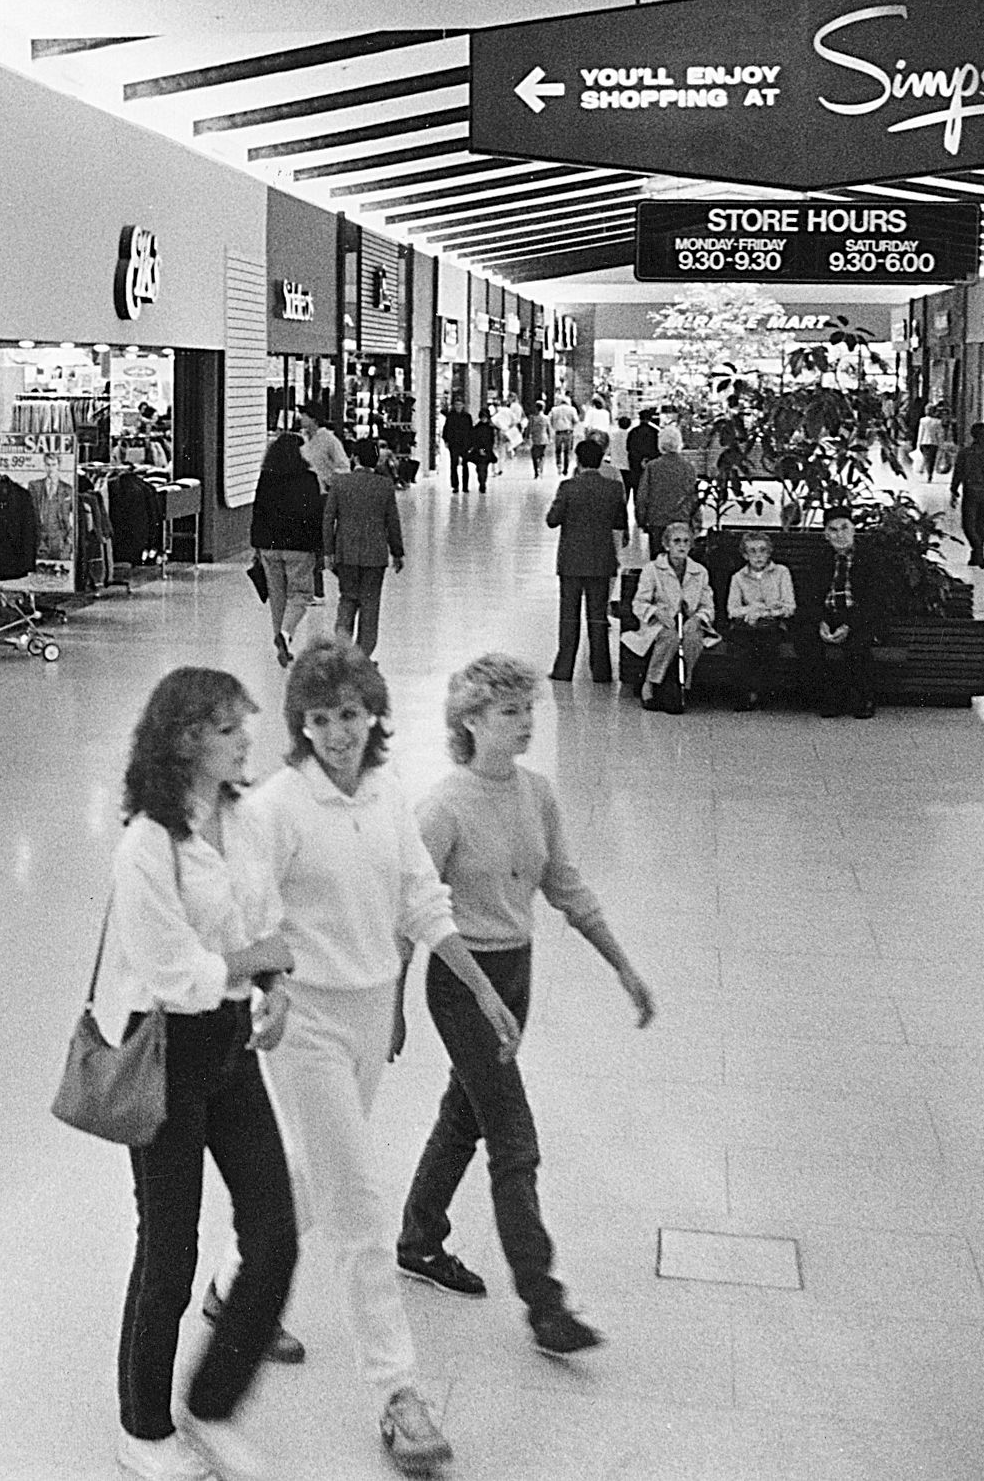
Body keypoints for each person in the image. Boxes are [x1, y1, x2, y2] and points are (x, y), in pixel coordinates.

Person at [242, 641, 521, 1477]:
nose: (336, 734)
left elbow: (420, 899)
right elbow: (247, 910)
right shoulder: (277, 808)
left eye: (350, 716)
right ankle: (398, 1393)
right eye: (320, 719)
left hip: (367, 1012)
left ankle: (234, 1288)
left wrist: (478, 988)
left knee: (312, 1171)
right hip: (305, 1022)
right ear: (300, 723)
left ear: (375, 717)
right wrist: (271, 986)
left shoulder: (391, 796)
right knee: (360, 1200)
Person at [399, 654, 655, 1355]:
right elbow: (410, 912)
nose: (524, 724)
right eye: (509, 712)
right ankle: (545, 1304)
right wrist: (392, 1005)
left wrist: (623, 967)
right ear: (470, 722)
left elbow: (565, 887)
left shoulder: (536, 793)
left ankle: (419, 1237)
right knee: (513, 1137)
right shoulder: (442, 808)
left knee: (466, 1111)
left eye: (528, 710)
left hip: (517, 972)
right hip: (462, 983)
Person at [101, 668, 300, 1481]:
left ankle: (212, 1403)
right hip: (167, 1053)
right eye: (228, 729)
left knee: (276, 1234)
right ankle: (143, 1426)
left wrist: (274, 984)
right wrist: (257, 962)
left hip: (230, 1045)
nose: (245, 740)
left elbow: (266, 922)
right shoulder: (147, 845)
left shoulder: (241, 820)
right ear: (184, 739)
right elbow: (174, 971)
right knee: (171, 1249)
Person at [543, 441, 626, 684]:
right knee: (598, 616)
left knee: (569, 615)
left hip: (571, 560)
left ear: (577, 459)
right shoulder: (613, 488)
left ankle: (564, 668)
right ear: (601, 460)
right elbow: (620, 522)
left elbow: (552, 520)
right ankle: (601, 671)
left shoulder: (568, 487)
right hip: (602, 559)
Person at [323, 440, 405, 660]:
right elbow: (392, 522)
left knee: (347, 598)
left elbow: (328, 519)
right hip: (375, 556)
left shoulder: (340, 483)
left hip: (345, 553)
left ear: (355, 458)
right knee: (370, 603)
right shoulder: (384, 485)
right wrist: (397, 552)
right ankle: (362, 656)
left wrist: (328, 552)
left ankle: (341, 651)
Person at [250, 431, 324, 667]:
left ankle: (282, 639)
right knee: (301, 594)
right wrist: (320, 546)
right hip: (299, 546)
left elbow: (258, 511)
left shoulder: (266, 477)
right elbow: (314, 515)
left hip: (269, 545)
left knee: (277, 596)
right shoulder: (308, 479)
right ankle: (285, 633)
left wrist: (256, 545)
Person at [630, 521, 715, 711]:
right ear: (667, 545)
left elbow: (708, 606)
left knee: (692, 640)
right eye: (677, 541)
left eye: (686, 541)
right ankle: (650, 684)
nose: (682, 546)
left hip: (689, 622)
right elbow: (639, 603)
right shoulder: (652, 569)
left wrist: (697, 619)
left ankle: (684, 685)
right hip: (660, 622)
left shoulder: (700, 572)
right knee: (670, 638)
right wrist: (656, 612)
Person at [805, 506, 880, 718]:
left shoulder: (870, 558)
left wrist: (849, 625)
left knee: (858, 644)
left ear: (854, 530)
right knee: (807, 641)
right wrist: (820, 622)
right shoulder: (819, 559)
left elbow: (874, 600)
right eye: (833, 530)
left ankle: (863, 698)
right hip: (827, 614)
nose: (840, 535)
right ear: (826, 535)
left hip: (857, 614)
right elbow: (809, 596)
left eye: (844, 528)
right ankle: (830, 698)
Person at [724, 531, 796, 710]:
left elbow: (789, 607)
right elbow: (732, 610)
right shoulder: (738, 577)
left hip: (772, 624)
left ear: (769, 552)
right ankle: (745, 693)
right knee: (740, 645)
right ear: (745, 555)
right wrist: (752, 611)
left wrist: (761, 612)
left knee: (767, 642)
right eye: (752, 551)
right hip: (746, 625)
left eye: (762, 550)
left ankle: (762, 691)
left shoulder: (781, 572)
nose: (758, 555)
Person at [634, 428, 697, 562]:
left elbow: (642, 497)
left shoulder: (652, 467)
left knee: (658, 563)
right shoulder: (688, 467)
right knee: (679, 562)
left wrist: (641, 520)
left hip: (657, 522)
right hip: (682, 521)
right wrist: (695, 523)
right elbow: (693, 497)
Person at [950, 422, 984, 570]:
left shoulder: (965, 453)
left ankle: (977, 551)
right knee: (980, 525)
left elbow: (958, 473)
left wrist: (954, 490)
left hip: (971, 492)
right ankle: (977, 553)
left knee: (968, 525)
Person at [299, 406, 351, 494]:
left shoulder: (329, 439)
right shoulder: (302, 438)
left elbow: (344, 467)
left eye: (304, 415)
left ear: (314, 419)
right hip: (306, 489)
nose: (301, 418)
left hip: (325, 492)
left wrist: (328, 480)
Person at [623, 408, 661, 527]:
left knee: (634, 492)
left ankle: (633, 517)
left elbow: (628, 448)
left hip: (634, 466)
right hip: (649, 467)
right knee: (647, 493)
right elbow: (657, 450)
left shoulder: (633, 432)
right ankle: (643, 519)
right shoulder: (655, 432)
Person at [441, 402, 477, 493]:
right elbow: (446, 429)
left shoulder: (467, 417)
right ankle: (455, 485)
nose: (458, 407)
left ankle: (465, 486)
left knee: (465, 464)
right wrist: (446, 440)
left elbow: (470, 431)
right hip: (453, 443)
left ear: (463, 406)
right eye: (456, 405)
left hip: (465, 444)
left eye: (460, 405)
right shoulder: (450, 416)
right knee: (453, 464)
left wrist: (471, 443)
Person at [548, 397, 579, 475]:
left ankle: (559, 465)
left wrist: (553, 426)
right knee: (567, 451)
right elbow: (576, 420)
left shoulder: (554, 409)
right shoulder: (572, 409)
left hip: (558, 432)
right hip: (568, 432)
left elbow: (549, 419)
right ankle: (566, 468)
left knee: (558, 451)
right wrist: (572, 426)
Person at [916, 404, 944, 482]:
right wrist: (941, 443)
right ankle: (929, 474)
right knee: (932, 459)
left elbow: (920, 432)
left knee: (925, 457)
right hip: (934, 443)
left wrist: (918, 443)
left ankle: (924, 470)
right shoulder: (937, 422)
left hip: (924, 442)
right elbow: (940, 434)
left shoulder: (922, 420)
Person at [523, 402, 550, 478]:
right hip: (544, 439)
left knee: (534, 456)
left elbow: (529, 428)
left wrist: (527, 437)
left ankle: (536, 471)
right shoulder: (546, 418)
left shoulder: (532, 418)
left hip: (535, 439)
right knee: (542, 455)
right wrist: (550, 438)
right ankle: (541, 469)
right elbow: (548, 429)